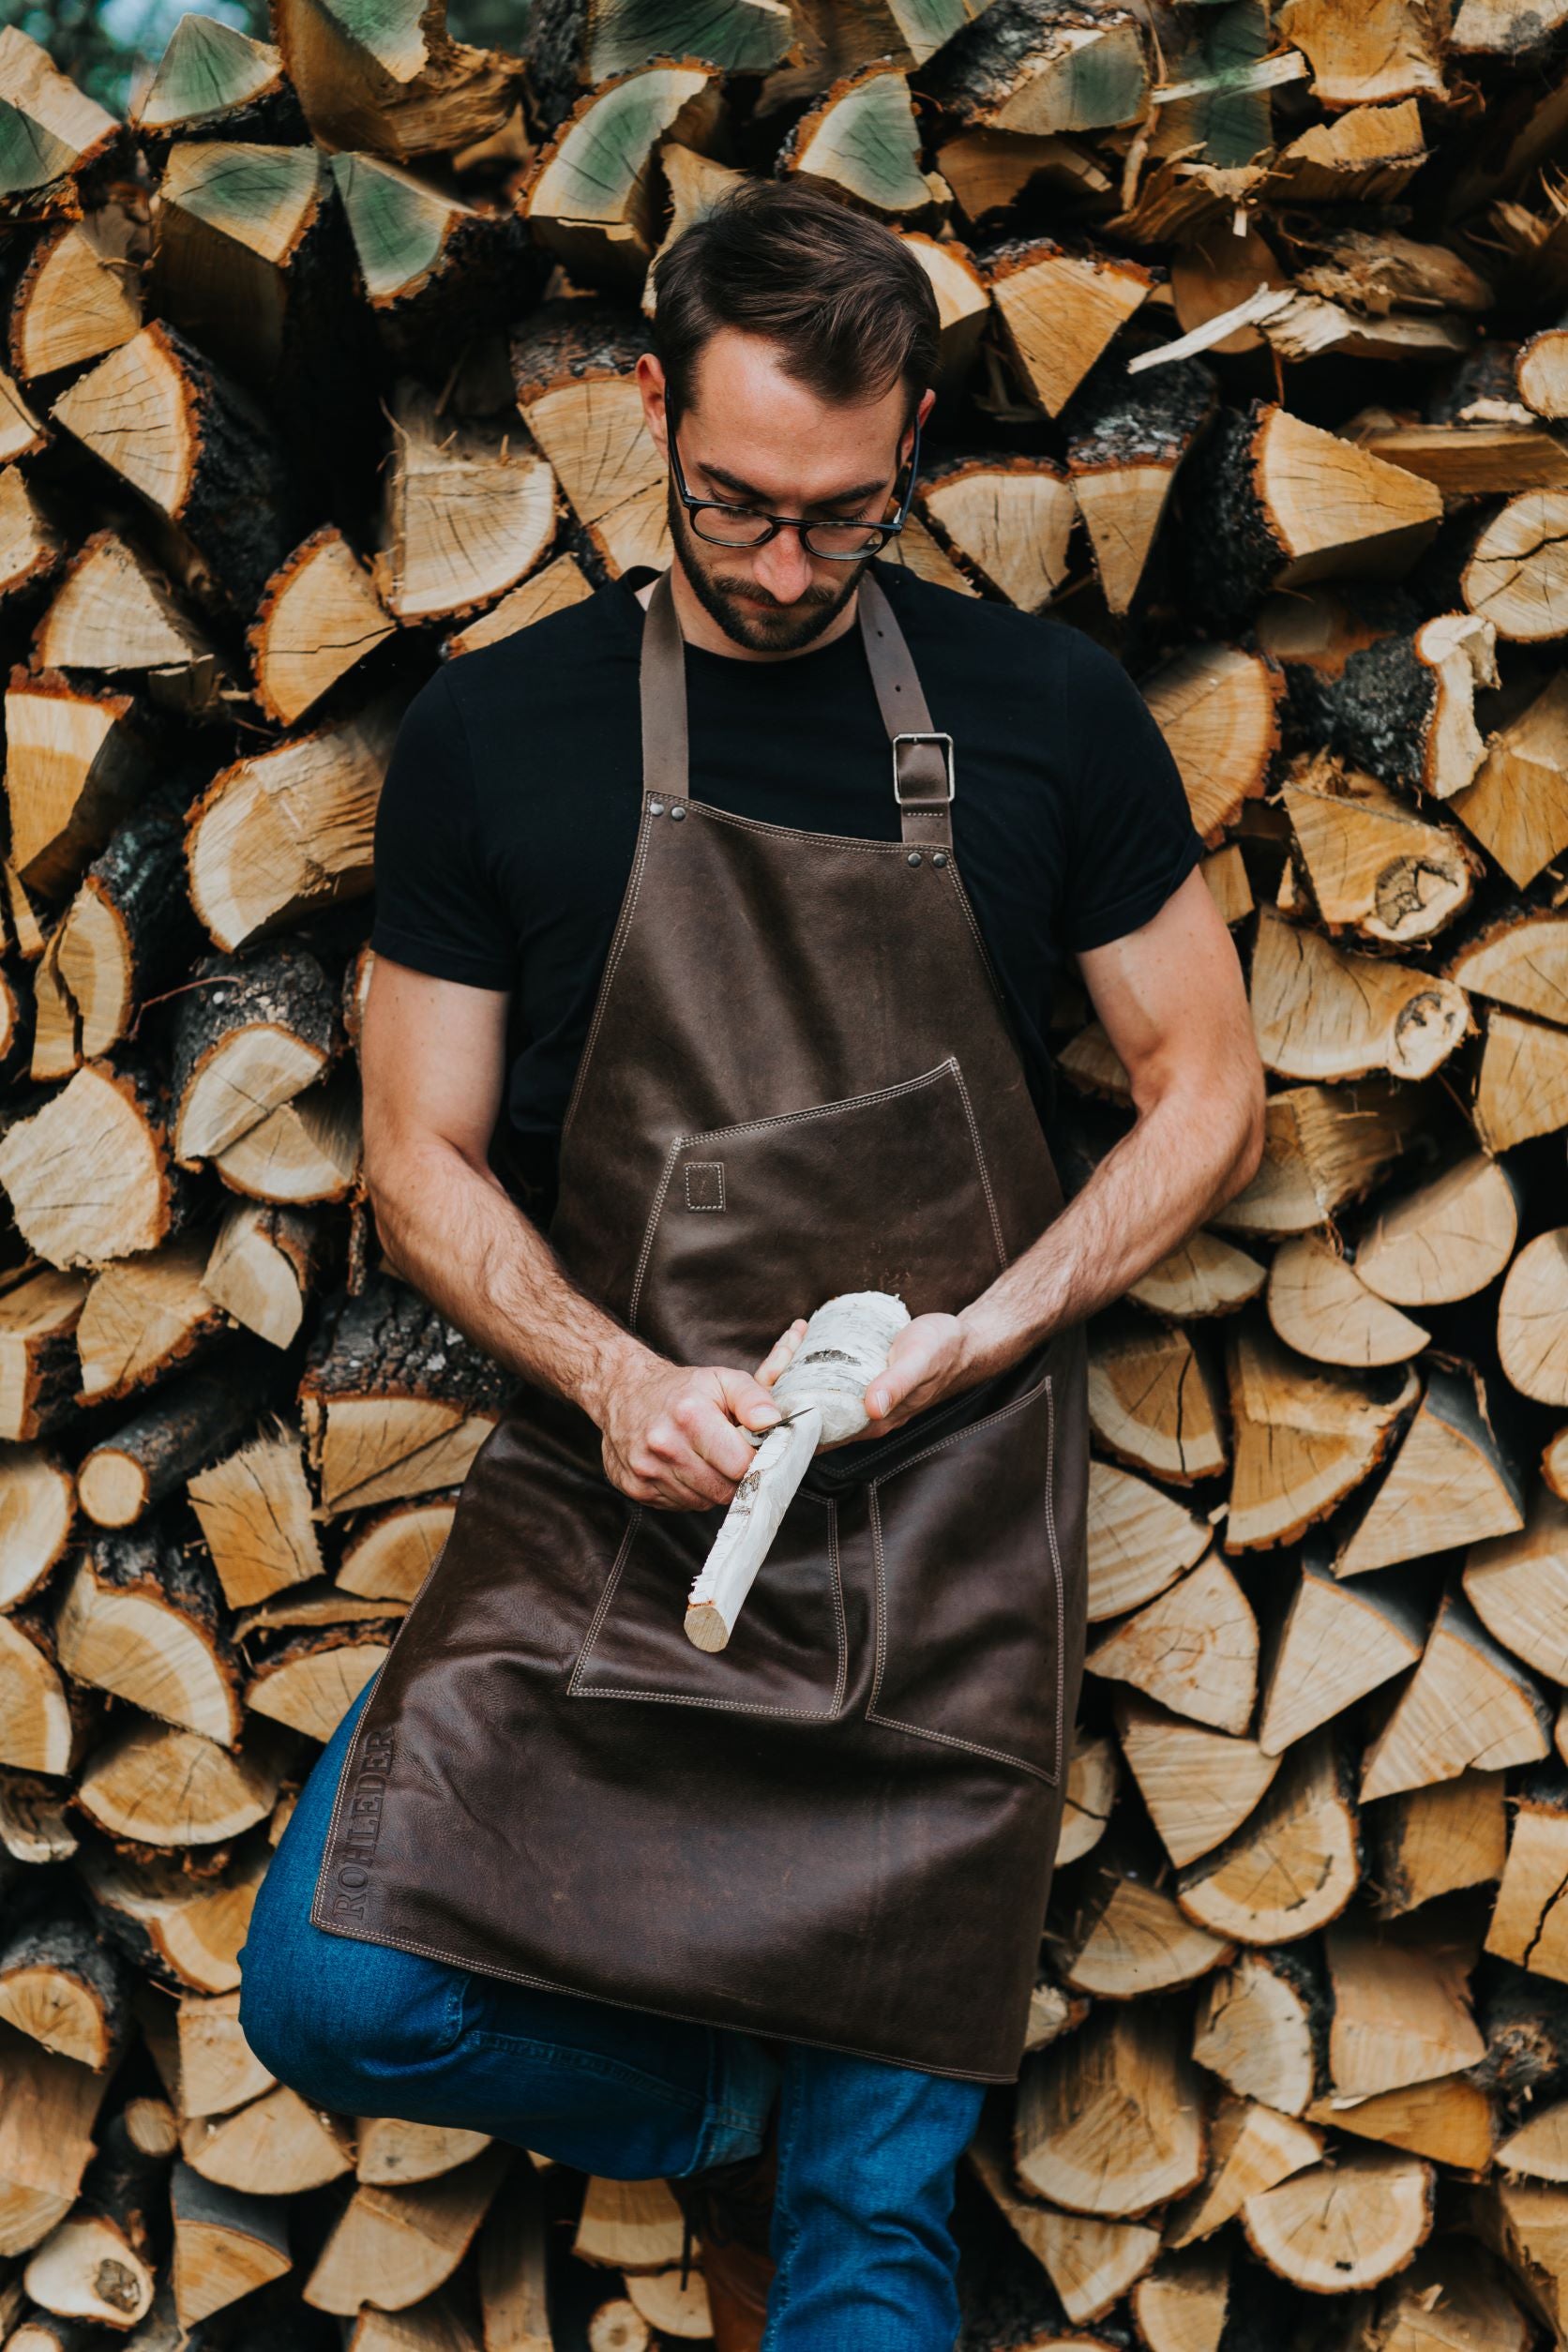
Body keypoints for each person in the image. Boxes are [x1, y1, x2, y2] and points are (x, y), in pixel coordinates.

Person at [238, 178, 1264, 2351]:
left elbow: (1204, 1094)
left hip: (941, 1531)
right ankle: (716, 2102)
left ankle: (820, 2152)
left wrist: (988, 1328)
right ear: (645, 416)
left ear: (905, 455)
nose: (787, 566)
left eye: (842, 517)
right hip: (614, 1498)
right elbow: (415, 1159)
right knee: (331, 1995)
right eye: (733, 509)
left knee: (867, 2263)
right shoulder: (498, 736)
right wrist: (614, 1382)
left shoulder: (1045, 713)